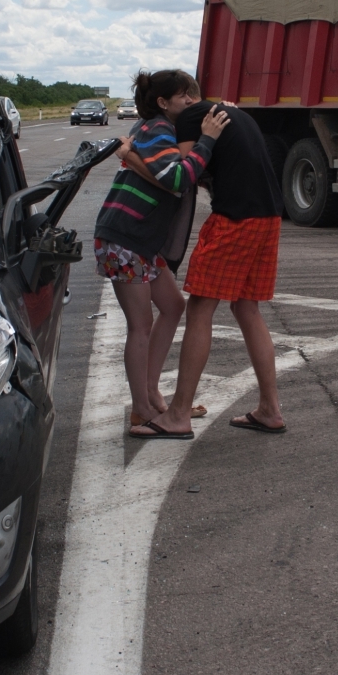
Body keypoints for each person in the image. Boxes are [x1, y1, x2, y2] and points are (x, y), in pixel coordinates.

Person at [94, 70, 226, 438]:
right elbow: (178, 179)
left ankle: (151, 393)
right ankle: (141, 408)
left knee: (173, 306)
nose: (192, 102)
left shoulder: (152, 129)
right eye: (185, 96)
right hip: (126, 235)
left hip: (142, 240)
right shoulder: (156, 130)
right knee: (140, 325)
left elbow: (166, 177)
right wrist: (208, 141)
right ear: (164, 102)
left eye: (195, 95)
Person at [146, 98, 285, 438]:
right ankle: (270, 408)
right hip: (269, 217)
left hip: (236, 218)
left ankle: (178, 415)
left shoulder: (194, 117)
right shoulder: (232, 111)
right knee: (246, 307)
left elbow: (182, 172)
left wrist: (135, 158)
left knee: (200, 309)